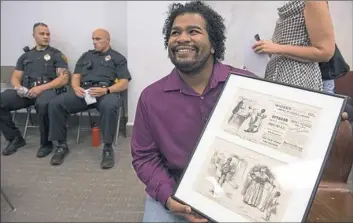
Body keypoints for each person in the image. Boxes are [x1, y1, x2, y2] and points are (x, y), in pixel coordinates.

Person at [130, 1, 253, 222]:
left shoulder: (246, 85)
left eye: (193, 31)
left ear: (214, 44)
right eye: (175, 32)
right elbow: (144, 156)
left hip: (235, 195)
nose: (182, 38)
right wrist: (168, 197)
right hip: (176, 191)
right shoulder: (151, 97)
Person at [48, 28, 131, 169]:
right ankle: (61, 145)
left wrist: (106, 90)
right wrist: (75, 88)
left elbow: (124, 83)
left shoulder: (118, 58)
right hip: (84, 92)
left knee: (110, 106)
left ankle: (107, 148)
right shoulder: (86, 56)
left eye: (98, 39)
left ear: (107, 40)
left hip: (105, 93)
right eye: (93, 39)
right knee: (56, 103)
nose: (94, 42)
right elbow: (76, 76)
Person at [0, 22, 69, 157]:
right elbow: (15, 76)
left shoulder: (56, 54)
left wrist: (40, 88)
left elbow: (63, 79)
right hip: (27, 92)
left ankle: (46, 144)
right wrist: (18, 87)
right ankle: (15, 138)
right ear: (34, 36)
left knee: (43, 104)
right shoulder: (25, 56)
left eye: (47, 34)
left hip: (47, 90)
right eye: (42, 34)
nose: (46, 37)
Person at [252, 1, 335, 91]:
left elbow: (325, 52)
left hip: (297, 77)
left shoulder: (314, 2)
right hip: (277, 73)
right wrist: (270, 49)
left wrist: (277, 48)